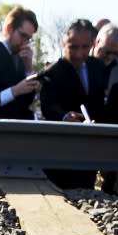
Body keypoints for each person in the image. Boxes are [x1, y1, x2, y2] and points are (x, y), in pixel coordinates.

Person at [40, 18, 107, 189]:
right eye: (73, 47)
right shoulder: (52, 73)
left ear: (92, 44)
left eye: (85, 47)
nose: (79, 53)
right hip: (60, 150)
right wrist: (64, 116)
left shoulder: (98, 68)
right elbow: (48, 106)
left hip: (90, 150)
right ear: (64, 44)